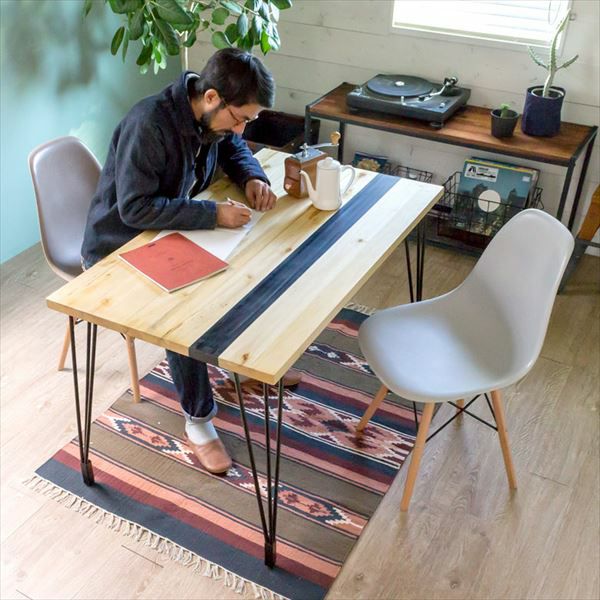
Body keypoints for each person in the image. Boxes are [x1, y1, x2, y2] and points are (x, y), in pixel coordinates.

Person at [81, 48, 299, 475]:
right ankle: (198, 421)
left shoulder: (213, 118)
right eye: (241, 117)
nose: (242, 127)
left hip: (167, 231)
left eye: (250, 120)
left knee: (248, 263)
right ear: (212, 97)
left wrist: (253, 176)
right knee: (187, 306)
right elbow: (134, 209)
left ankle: (242, 360)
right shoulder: (150, 124)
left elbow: (233, 147)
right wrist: (212, 214)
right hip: (119, 246)